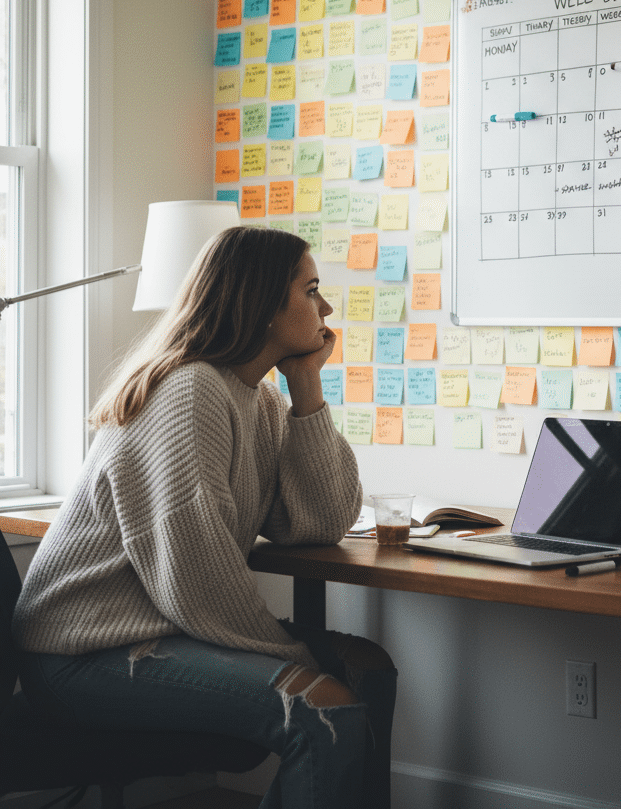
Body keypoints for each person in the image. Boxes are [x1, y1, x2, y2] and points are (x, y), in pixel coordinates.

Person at [13, 226, 395, 808]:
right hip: (84, 656)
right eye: (311, 289)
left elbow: (318, 521)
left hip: (164, 631)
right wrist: (296, 657)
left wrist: (307, 385)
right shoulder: (188, 392)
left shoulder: (259, 399)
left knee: (369, 669)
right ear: (264, 304)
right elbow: (194, 577)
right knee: (323, 709)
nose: (326, 307)